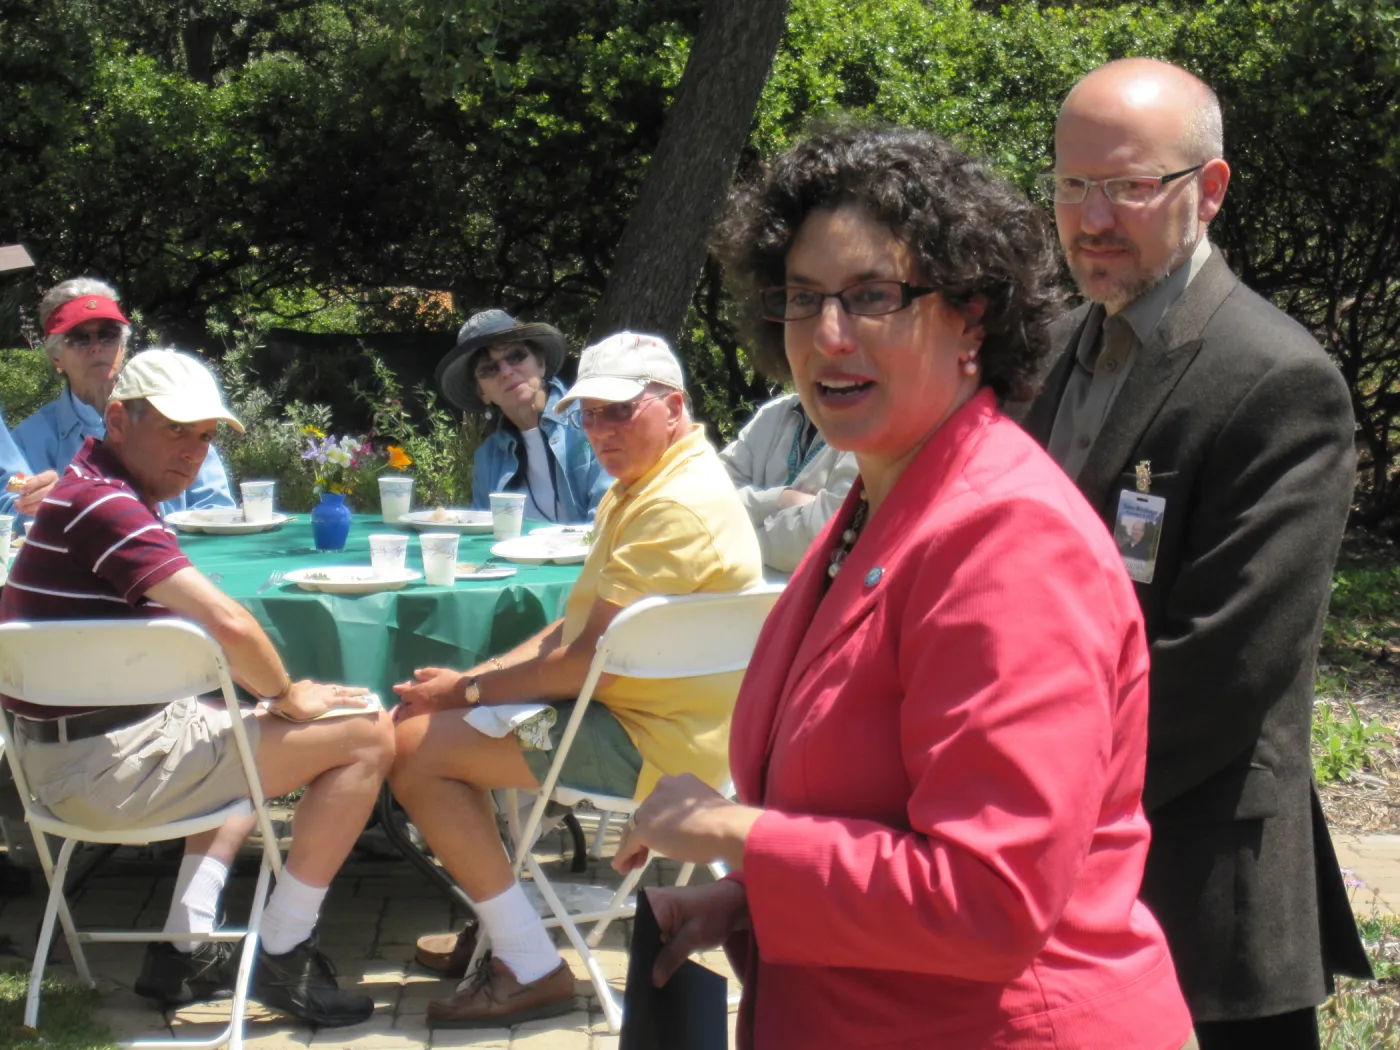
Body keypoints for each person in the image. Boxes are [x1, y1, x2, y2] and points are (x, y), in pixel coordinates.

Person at [611, 123, 1194, 1050]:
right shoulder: (881, 499)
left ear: (972, 317)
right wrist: (749, 898)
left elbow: (988, 900)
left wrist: (736, 830)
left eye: (873, 296)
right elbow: (868, 814)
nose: (829, 336)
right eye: (804, 299)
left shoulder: (1009, 540)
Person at [1019, 58, 1371, 1048]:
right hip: (1044, 880)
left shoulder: (1274, 381)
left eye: (1128, 186)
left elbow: (1223, 666)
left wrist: (1028, 791)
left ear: (1205, 190)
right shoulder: (1043, 354)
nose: (1091, 216)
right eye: (1070, 184)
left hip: (1195, 888)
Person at [0, 349, 394, 1027]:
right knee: (367, 733)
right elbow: (228, 622)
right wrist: (289, 696)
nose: (193, 452)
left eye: (206, 436)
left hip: (52, 771)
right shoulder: (105, 506)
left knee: (226, 717)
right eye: (177, 431)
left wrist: (260, 703)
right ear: (118, 420)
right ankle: (284, 950)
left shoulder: (81, 489)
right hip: (103, 777)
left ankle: (182, 948)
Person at [392, 331, 762, 1027]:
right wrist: (473, 680)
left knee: (414, 751)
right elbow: (575, 628)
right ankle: (502, 929)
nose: (598, 429)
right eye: (588, 413)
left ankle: (527, 961)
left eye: (618, 412)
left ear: (673, 406)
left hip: (655, 749)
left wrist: (464, 693)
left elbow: (580, 662)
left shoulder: (668, 505)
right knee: (435, 727)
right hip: (661, 725)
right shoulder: (654, 482)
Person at [11, 278, 234, 517]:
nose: (96, 347)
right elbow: (10, 519)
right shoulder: (26, 441)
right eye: (79, 337)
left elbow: (217, 512)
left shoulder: (174, 414)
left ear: (123, 346)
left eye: (108, 334)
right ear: (55, 356)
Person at [436, 309, 610, 523]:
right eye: (489, 369)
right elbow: (480, 534)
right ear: (482, 392)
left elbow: (607, 519)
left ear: (541, 363)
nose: (506, 371)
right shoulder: (488, 458)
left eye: (516, 356)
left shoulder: (592, 422)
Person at [719, 391, 858, 574]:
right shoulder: (771, 415)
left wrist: (728, 540)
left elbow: (824, 531)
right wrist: (780, 499)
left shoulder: (867, 425)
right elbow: (711, 498)